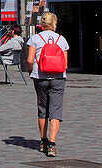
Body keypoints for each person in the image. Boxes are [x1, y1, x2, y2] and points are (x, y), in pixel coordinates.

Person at [25, 11, 70, 158]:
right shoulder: (61, 40)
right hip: (58, 77)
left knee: (42, 108)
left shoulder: (35, 39)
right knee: (56, 110)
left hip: (40, 77)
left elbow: (30, 60)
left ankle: (43, 141)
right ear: (54, 23)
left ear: (42, 24)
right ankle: (52, 144)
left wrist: (32, 72)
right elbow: (65, 64)